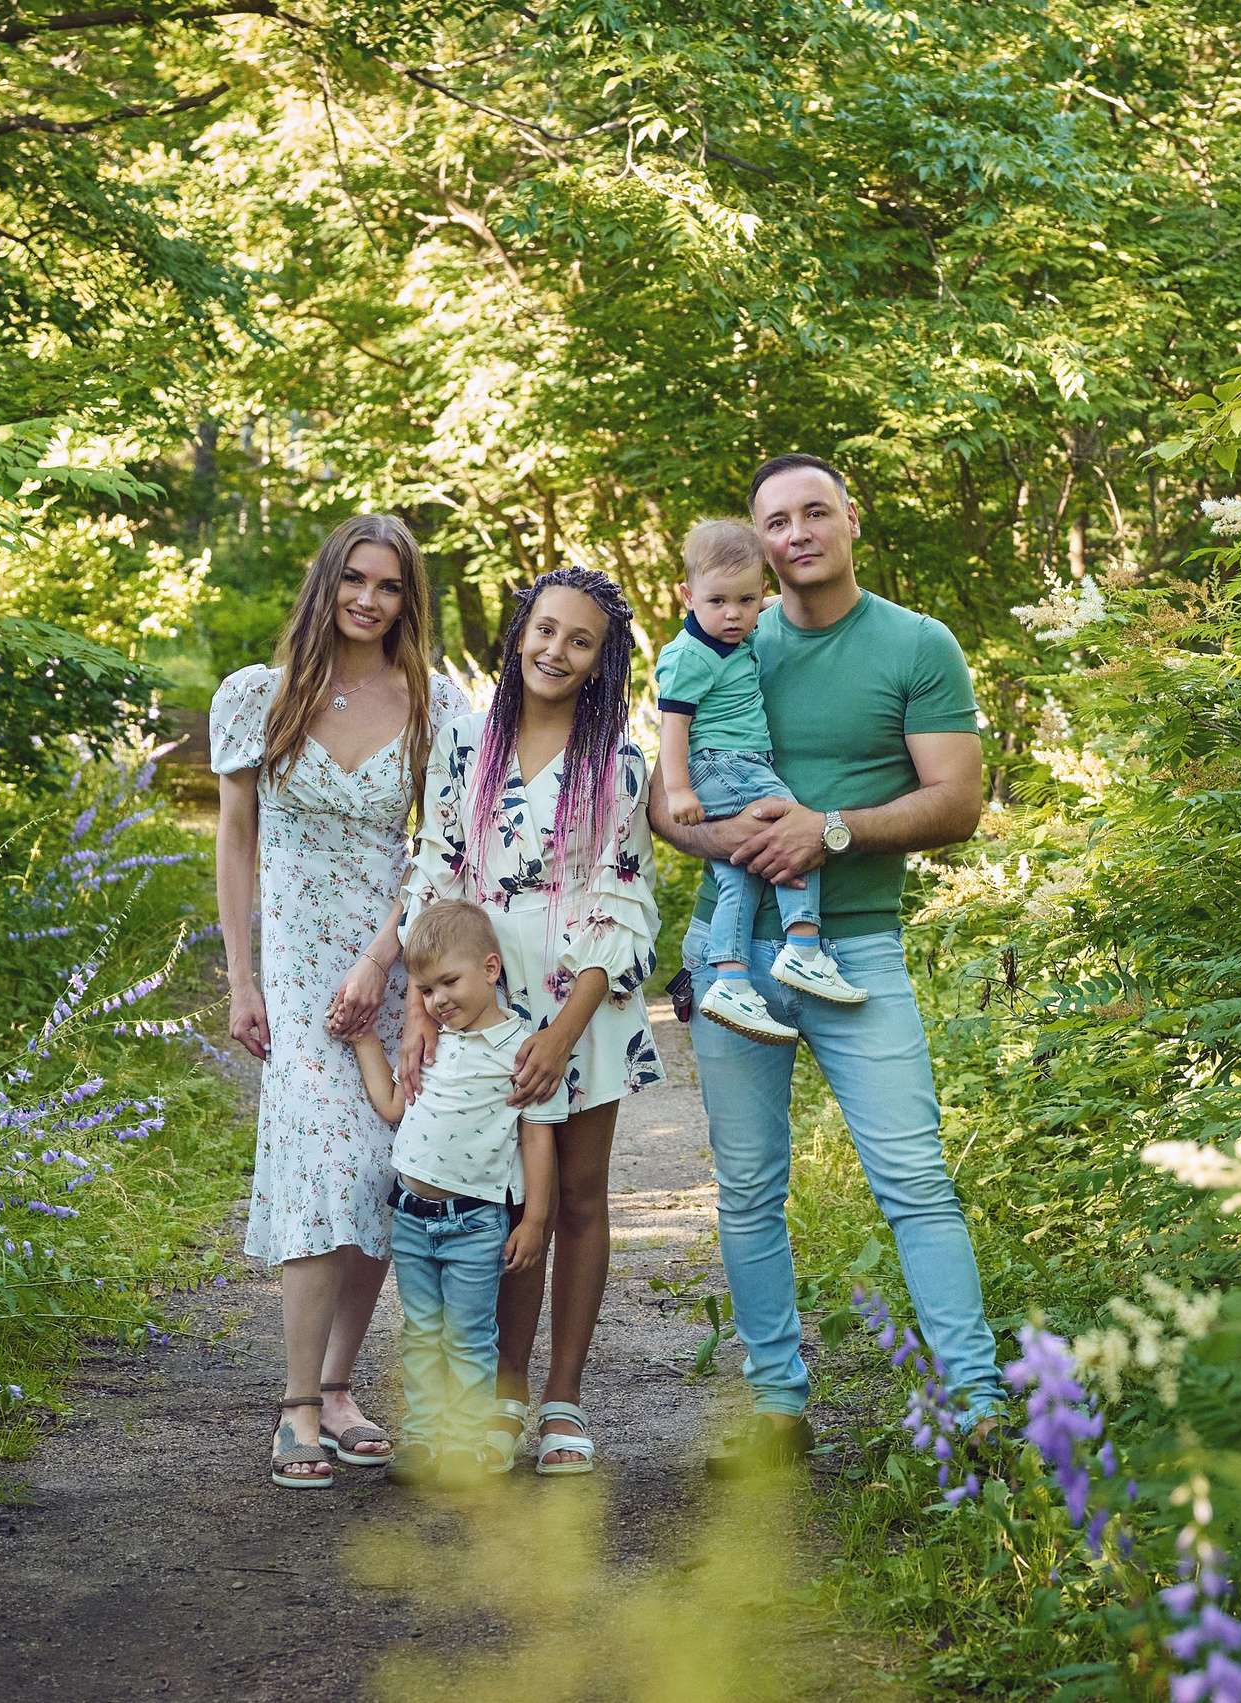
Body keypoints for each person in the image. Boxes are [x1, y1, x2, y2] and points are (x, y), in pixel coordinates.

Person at [646, 454, 998, 1479]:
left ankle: (979, 1404)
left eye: (814, 511)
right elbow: (672, 810)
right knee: (749, 1187)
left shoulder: (914, 643)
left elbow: (958, 801)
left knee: (915, 1179)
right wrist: (742, 843)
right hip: (733, 955)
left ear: (852, 518)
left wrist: (827, 832)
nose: (796, 531)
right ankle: (776, 1410)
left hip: (857, 950)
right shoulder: (719, 638)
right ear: (753, 542)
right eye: (775, 520)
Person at [211, 513, 470, 1489]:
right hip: (294, 967)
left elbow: (442, 849)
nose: (369, 598)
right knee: (321, 1161)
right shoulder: (258, 696)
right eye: (355, 578)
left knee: (379, 1172)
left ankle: (337, 1386)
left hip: (391, 959)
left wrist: (382, 964)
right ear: (327, 583)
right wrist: (240, 976)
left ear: (409, 600)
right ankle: (291, 1405)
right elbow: (235, 839)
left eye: (390, 585)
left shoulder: (435, 704)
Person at [399, 565, 662, 1475]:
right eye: (545, 630)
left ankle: (563, 1399)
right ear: (519, 634)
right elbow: (434, 875)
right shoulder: (465, 746)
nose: (557, 650)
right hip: (476, 1013)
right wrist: (419, 1008)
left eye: (580, 640)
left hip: (583, 1012)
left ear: (602, 661)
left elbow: (619, 904)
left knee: (578, 1200)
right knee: (498, 1200)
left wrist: (559, 1033)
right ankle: (503, 1394)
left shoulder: (620, 765)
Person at [349, 899, 561, 1485]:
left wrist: (535, 1220)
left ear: (490, 969)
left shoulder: (522, 1050)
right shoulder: (432, 1045)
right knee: (421, 1334)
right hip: (411, 1218)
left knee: (468, 1338)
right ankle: (421, 1442)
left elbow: (538, 1141)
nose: (439, 1000)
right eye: (426, 990)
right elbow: (394, 1105)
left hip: (475, 1221)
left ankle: (467, 1446)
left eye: (450, 982)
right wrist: (367, 1042)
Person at [654, 518, 868, 1044]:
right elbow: (672, 727)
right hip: (727, 764)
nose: (733, 615)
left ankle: (728, 980)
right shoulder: (690, 655)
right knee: (797, 828)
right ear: (688, 595)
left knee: (739, 874)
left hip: (730, 764)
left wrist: (778, 604)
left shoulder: (734, 631)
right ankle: (803, 947)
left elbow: (757, 607)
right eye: (719, 601)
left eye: (747, 601)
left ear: (762, 593)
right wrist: (678, 790)